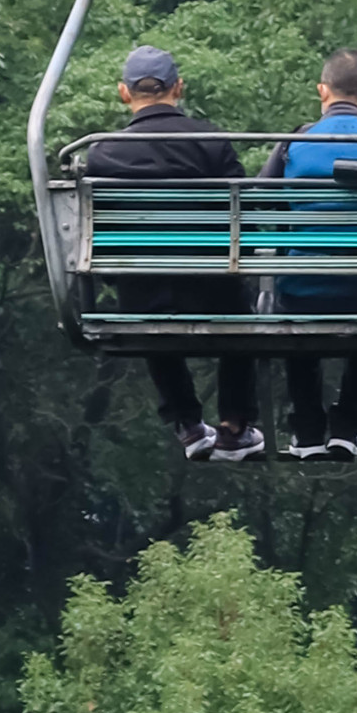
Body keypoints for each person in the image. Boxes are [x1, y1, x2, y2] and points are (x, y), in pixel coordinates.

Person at [85, 46, 264, 462]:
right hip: (212, 292)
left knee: (147, 307)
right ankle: (235, 426)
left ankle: (187, 422)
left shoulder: (101, 152)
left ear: (124, 94)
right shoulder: (212, 143)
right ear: (178, 89)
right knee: (241, 310)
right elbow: (245, 227)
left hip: (141, 296)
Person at [260, 49, 357, 462]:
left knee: (297, 326)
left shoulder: (293, 144)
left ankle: (308, 431)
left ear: (321, 91)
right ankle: (347, 428)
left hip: (302, 289)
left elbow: (260, 199)